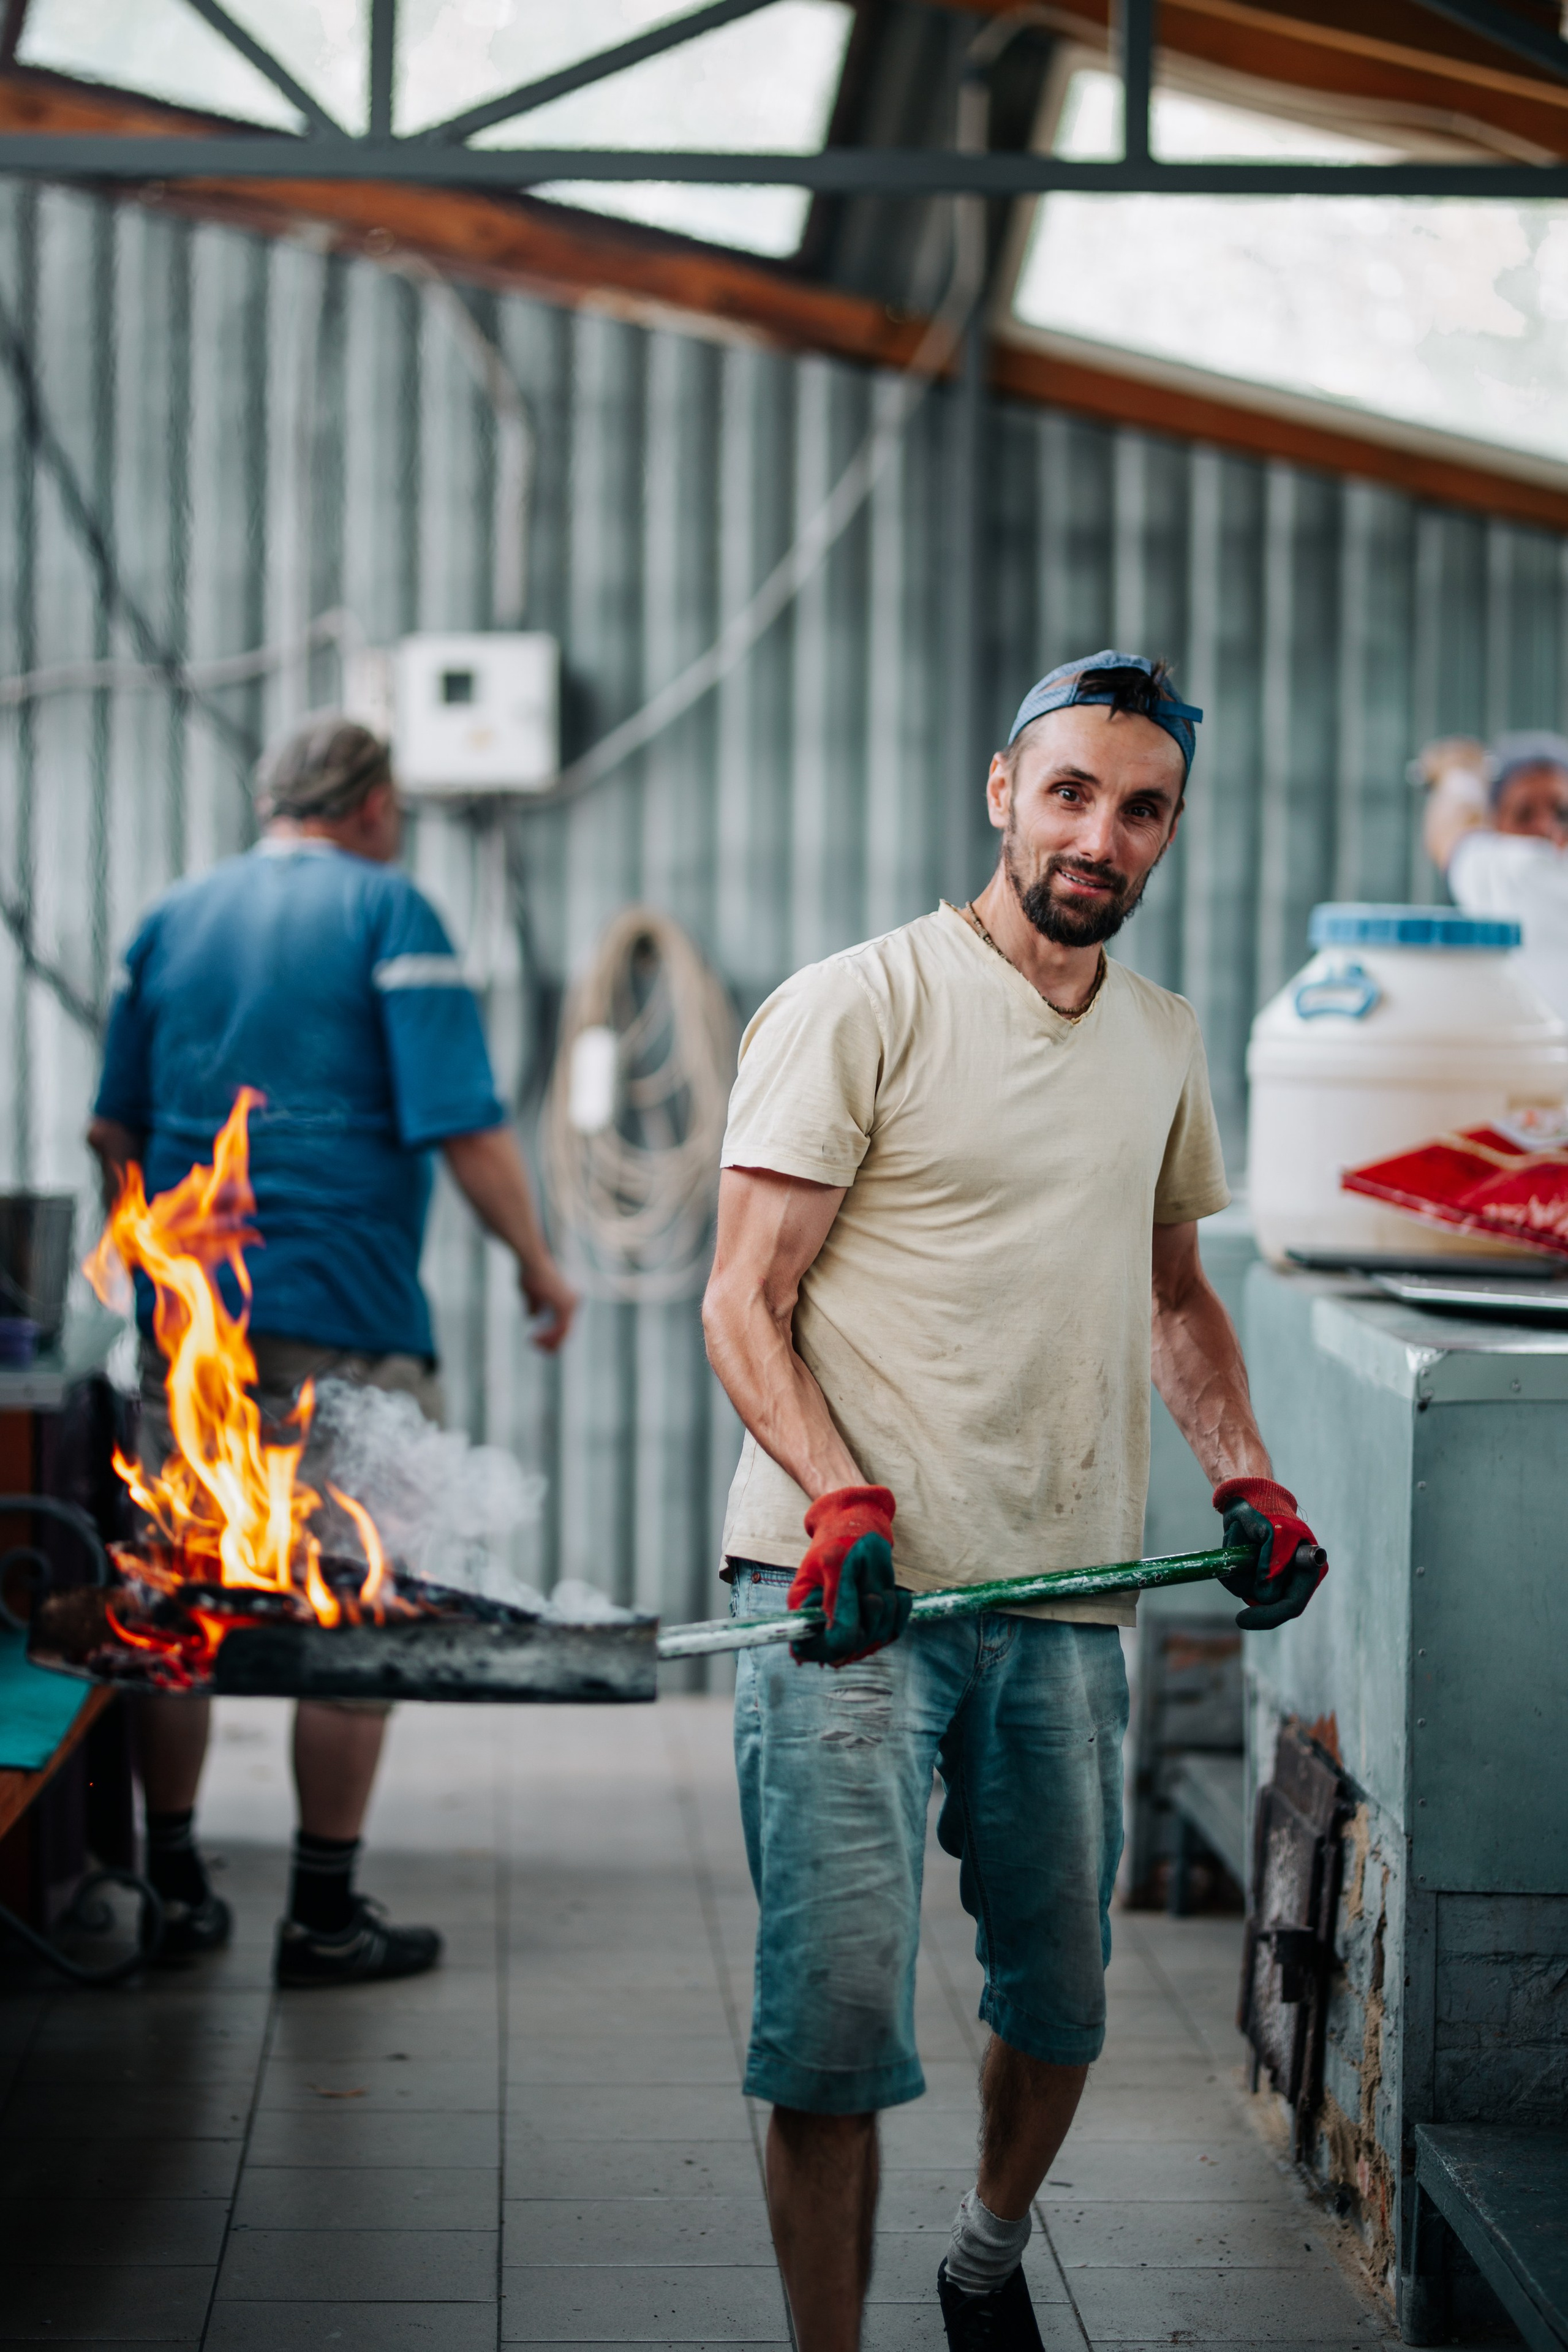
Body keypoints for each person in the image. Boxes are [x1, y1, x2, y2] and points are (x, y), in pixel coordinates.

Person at [701, 651, 1327, 2352]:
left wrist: (1245, 1473)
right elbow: (743, 1298)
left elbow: (1173, 1295)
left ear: (1168, 830)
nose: (1097, 836)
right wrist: (840, 1498)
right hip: (845, 1602)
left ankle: (982, 2263)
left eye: (1140, 809)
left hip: (1057, 1602)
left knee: (1060, 1999)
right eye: (1068, 793)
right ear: (1002, 792)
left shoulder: (1161, 1040)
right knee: (833, 2028)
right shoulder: (859, 1003)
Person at [88, 714, 578, 1987]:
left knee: (177, 1603)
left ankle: (174, 1888)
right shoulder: (389, 912)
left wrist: (157, 1273)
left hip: (189, 1328)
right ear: (370, 805)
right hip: (347, 1322)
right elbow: (464, 1124)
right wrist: (536, 1263)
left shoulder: (170, 917)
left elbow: (111, 1131)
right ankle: (320, 1915)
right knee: (362, 1601)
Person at [1420, 730, 1568, 1020]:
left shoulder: (1523, 875)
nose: (1546, 828)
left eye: (1563, 813)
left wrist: (1458, 771)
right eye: (1524, 814)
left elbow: (1452, 833)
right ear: (1494, 823)